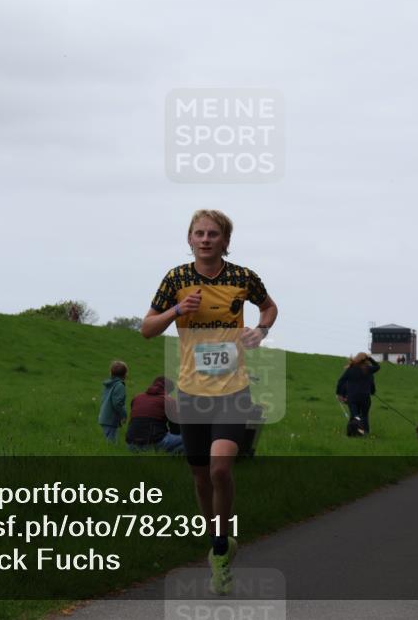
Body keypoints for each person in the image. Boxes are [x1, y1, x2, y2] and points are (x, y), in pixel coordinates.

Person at [140, 209, 278, 595]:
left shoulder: (242, 277)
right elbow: (147, 329)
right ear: (189, 240)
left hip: (234, 391)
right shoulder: (176, 279)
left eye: (212, 234)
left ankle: (219, 549)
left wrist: (261, 330)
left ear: (224, 241)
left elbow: (269, 306)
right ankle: (219, 541)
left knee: (220, 470)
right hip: (191, 393)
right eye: (198, 233)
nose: (205, 239)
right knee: (200, 476)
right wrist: (175, 311)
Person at [125, 376, 185, 455]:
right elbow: (175, 429)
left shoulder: (137, 398)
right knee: (192, 440)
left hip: (130, 444)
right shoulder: (169, 400)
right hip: (153, 442)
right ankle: (170, 456)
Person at [336, 352, 381, 436]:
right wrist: (370, 358)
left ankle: (353, 433)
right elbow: (377, 367)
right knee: (364, 416)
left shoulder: (350, 369)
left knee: (354, 416)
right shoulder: (368, 369)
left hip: (352, 397)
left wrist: (339, 394)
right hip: (365, 397)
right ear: (365, 360)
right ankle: (365, 433)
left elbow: (341, 381)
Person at [98, 361, 128, 443]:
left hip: (104, 416)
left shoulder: (109, 384)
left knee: (109, 442)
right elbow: (118, 403)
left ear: (111, 372)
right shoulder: (119, 386)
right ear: (125, 374)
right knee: (111, 443)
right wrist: (124, 415)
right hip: (111, 419)